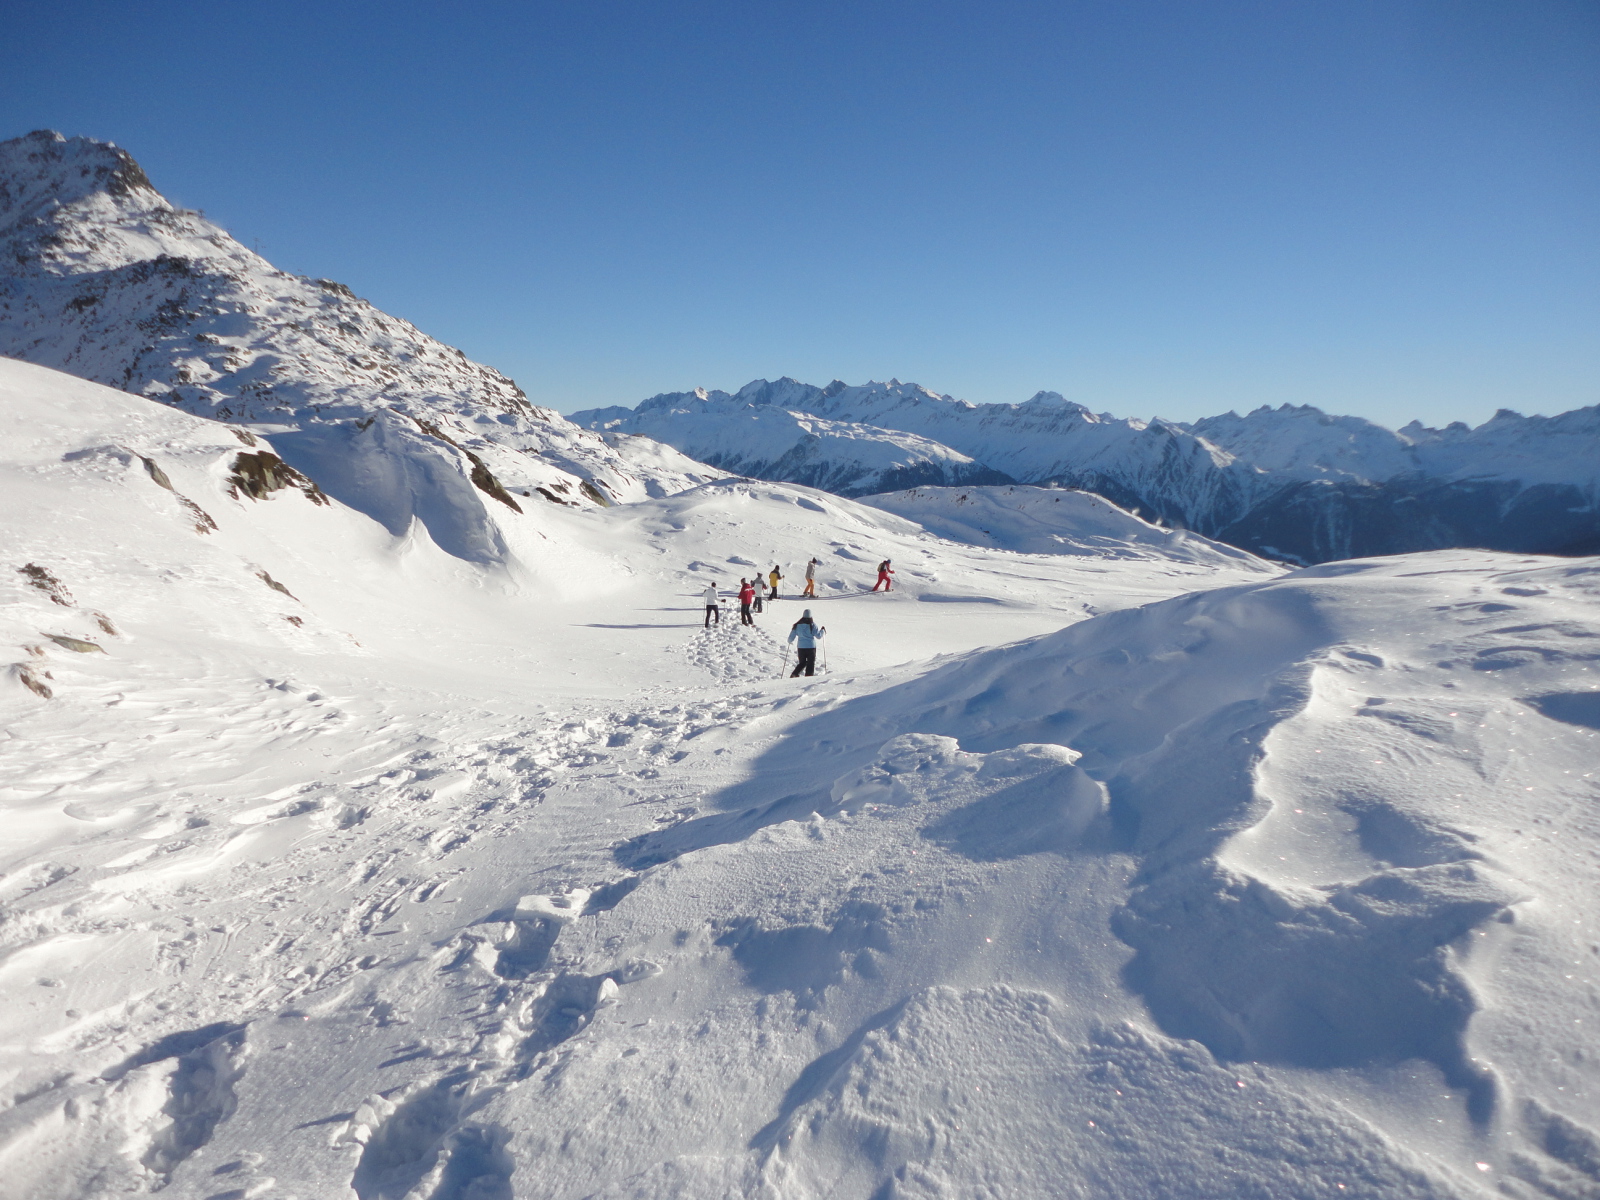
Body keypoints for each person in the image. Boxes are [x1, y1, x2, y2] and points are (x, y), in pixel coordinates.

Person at [787, 609, 826, 676]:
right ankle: (809, 676)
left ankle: (795, 673)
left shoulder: (797, 625)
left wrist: (790, 641)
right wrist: (822, 631)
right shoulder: (813, 625)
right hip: (811, 647)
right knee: (810, 663)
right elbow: (818, 636)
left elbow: (791, 638)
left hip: (801, 647)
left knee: (802, 662)